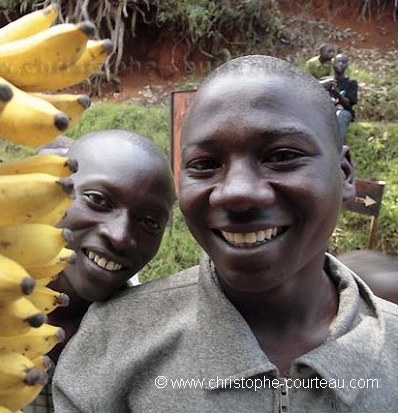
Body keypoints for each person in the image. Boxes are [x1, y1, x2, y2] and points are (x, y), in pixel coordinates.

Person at [53, 55, 398, 412]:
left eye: (282, 156)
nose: (237, 192)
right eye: (205, 164)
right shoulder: (112, 338)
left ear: (344, 174)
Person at [24, 129, 176, 412]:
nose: (120, 236)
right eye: (98, 200)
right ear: (55, 192)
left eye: (150, 222)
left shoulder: (154, 346)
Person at [328, 53, 358, 145]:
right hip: (327, 110)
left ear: (347, 65)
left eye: (343, 62)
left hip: (344, 111)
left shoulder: (351, 83)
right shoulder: (326, 81)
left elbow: (348, 105)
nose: (340, 64)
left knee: (340, 117)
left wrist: (336, 93)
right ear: (333, 63)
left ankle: (337, 147)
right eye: (338, 61)